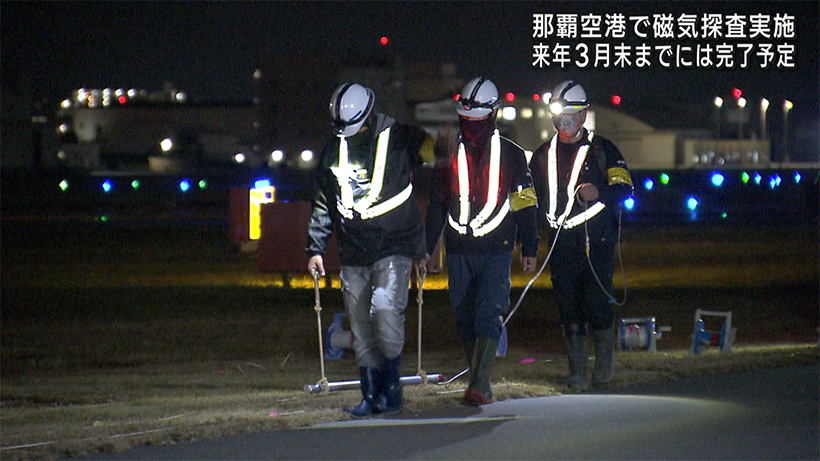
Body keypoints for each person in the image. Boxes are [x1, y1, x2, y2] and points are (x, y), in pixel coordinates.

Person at [306, 82, 436, 417]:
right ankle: (371, 395)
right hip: (354, 249)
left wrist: (438, 149)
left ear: (367, 116)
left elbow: (435, 156)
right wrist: (315, 248)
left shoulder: (403, 138)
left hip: (394, 244)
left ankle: (392, 389)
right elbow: (323, 201)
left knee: (386, 311)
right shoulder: (333, 149)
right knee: (361, 325)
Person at [422, 77, 539, 406]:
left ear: (494, 115)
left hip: (497, 249)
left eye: (477, 121)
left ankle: (480, 385)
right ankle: (477, 377)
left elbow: (525, 204)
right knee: (463, 315)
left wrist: (528, 247)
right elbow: (436, 204)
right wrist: (428, 248)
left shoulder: (513, 156)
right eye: (466, 121)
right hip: (458, 249)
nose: (471, 128)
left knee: (488, 311)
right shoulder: (447, 154)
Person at [529, 80, 634, 391]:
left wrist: (598, 191)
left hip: (596, 241)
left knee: (597, 302)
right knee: (568, 306)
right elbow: (530, 197)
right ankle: (576, 373)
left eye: (570, 114)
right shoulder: (543, 154)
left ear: (584, 114)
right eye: (559, 114)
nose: (564, 121)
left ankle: (604, 367)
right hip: (560, 243)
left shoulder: (604, 150)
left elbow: (625, 188)